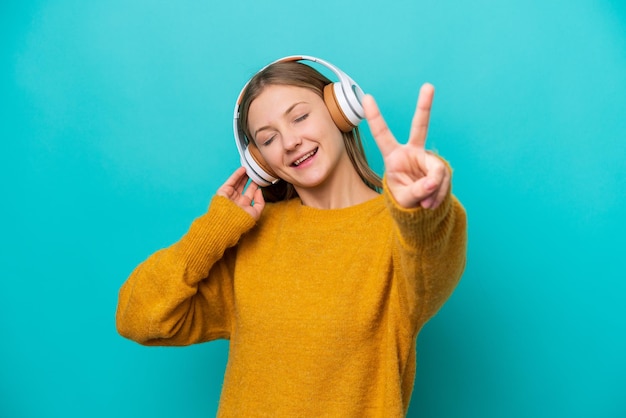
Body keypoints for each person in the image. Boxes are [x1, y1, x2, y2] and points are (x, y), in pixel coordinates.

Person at [116, 56, 467, 417]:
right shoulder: (255, 237)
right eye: (268, 139)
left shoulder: (400, 233)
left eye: (300, 117)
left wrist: (422, 210)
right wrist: (213, 229)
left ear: (340, 110)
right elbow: (138, 317)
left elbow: (433, 260)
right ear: (260, 161)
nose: (290, 142)